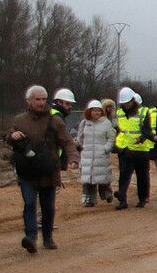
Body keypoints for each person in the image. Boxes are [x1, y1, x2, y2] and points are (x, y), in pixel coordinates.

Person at [7, 84, 74, 253]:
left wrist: (74, 158)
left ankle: (47, 237)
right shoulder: (19, 120)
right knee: (29, 204)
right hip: (26, 170)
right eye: (37, 99)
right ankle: (31, 237)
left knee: (48, 206)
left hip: (48, 170)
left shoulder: (55, 120)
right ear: (28, 101)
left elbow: (67, 141)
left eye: (44, 99)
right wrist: (12, 136)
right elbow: (9, 137)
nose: (41, 102)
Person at [112, 86, 153, 209]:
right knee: (124, 174)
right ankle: (122, 199)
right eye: (123, 103)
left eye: (127, 103)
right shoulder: (119, 113)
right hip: (124, 148)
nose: (125, 105)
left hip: (140, 149)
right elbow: (117, 129)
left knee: (142, 176)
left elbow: (147, 129)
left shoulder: (144, 112)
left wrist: (142, 138)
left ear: (132, 101)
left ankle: (143, 198)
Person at [76, 99, 115, 206]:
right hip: (87, 155)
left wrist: (106, 148)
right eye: (94, 111)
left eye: (98, 111)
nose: (96, 113)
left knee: (103, 177)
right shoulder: (84, 123)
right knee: (89, 178)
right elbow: (79, 137)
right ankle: (90, 199)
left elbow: (111, 138)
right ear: (89, 111)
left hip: (101, 155)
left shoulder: (106, 123)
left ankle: (107, 194)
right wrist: (79, 147)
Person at [51, 87, 76, 169]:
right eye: (68, 104)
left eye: (71, 104)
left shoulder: (53, 113)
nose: (70, 107)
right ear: (59, 102)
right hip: (52, 158)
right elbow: (64, 139)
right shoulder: (56, 117)